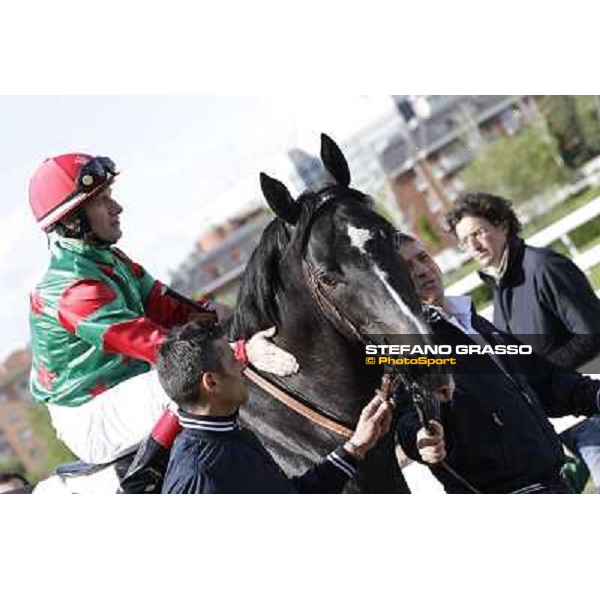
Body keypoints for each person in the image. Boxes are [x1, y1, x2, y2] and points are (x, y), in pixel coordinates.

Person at [28, 153, 298, 466]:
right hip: (91, 414)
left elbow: (169, 308)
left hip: (130, 384)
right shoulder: (71, 289)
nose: (117, 208)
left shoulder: (109, 259)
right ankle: (155, 481)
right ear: (73, 220)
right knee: (204, 378)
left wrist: (221, 317)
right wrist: (243, 352)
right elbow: (163, 351)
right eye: (102, 200)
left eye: (110, 196)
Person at [395, 234, 600, 493]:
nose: (422, 271)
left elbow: (544, 380)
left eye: (422, 258)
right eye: (407, 268)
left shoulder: (473, 321)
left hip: (552, 481)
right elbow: (406, 416)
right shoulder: (407, 346)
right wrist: (419, 438)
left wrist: (595, 395)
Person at [445, 192, 600, 487]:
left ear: (503, 225)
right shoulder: (500, 284)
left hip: (589, 407)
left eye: (478, 233)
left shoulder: (543, 266)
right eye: (465, 241)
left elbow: (591, 331)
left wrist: (533, 374)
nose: (474, 246)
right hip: (563, 419)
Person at [157, 322, 394, 494]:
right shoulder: (199, 476)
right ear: (211, 382)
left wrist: (355, 447)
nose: (241, 366)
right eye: (232, 360)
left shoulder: (230, 434)